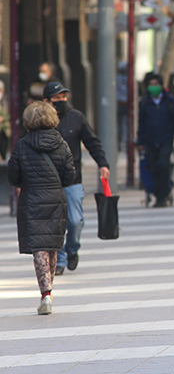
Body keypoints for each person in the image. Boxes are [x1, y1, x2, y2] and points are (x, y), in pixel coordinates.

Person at [8, 101, 76, 315]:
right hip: (56, 199)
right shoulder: (62, 143)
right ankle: (49, 290)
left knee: (39, 247)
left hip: (32, 201)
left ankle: (45, 294)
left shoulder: (22, 145)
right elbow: (69, 175)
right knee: (52, 245)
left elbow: (13, 176)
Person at [43, 81, 110, 275]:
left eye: (64, 97)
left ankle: (72, 250)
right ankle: (61, 259)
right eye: (57, 98)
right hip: (50, 182)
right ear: (47, 101)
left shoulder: (76, 117)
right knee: (56, 223)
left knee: (74, 221)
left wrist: (103, 163)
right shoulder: (41, 121)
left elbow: (92, 142)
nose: (62, 101)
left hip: (73, 180)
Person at [137, 73, 174, 208]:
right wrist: (140, 141)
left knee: (163, 165)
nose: (154, 87)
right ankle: (159, 194)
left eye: (156, 84)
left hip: (165, 139)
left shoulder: (169, 101)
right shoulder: (145, 103)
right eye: (151, 84)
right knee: (153, 168)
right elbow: (141, 123)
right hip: (150, 140)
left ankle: (163, 195)